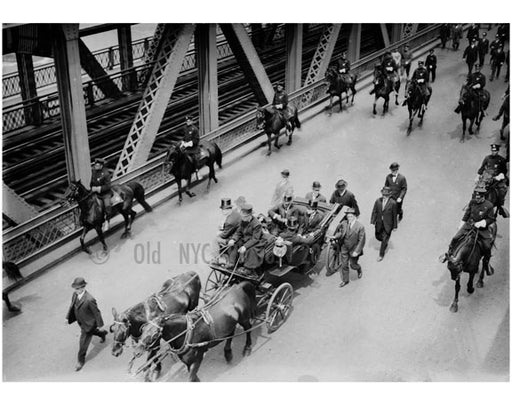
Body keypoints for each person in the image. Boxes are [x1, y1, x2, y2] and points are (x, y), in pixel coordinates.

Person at [443, 186, 495, 265]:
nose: (476, 199)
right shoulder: (472, 202)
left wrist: (482, 223)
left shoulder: (489, 205)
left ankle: (486, 263)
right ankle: (449, 253)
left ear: (483, 197)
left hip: (482, 229)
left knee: (487, 246)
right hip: (469, 225)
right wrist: (461, 224)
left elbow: (491, 219)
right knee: (455, 238)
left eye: (479, 198)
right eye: (476, 197)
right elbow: (467, 214)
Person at [66, 277, 107, 371]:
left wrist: (100, 325)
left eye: (77, 288)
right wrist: (67, 317)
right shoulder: (75, 294)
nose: (75, 290)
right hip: (81, 321)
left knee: (83, 343)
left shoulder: (89, 299)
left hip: (89, 324)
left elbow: (96, 313)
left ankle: (80, 361)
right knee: (93, 332)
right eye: (74, 288)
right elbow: (72, 306)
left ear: (83, 287)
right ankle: (102, 334)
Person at [226, 204, 266, 274]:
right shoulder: (242, 221)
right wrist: (233, 239)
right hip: (245, 239)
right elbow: (238, 232)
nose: (242, 218)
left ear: (249, 215)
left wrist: (245, 246)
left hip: (255, 242)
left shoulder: (257, 224)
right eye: (242, 216)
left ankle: (248, 269)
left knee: (251, 250)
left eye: (244, 217)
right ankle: (231, 263)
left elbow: (255, 239)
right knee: (235, 244)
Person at [333, 208, 366, 288]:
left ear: (355, 216)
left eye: (351, 216)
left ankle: (358, 269)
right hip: (344, 247)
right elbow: (340, 232)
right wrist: (335, 236)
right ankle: (345, 280)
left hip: (354, 249)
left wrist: (357, 251)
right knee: (344, 265)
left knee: (353, 265)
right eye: (348, 217)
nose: (349, 218)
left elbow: (362, 240)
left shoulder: (360, 226)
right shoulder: (344, 223)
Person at [476, 143, 508, 217]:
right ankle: (472, 203)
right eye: (492, 151)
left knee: (503, 189)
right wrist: (477, 175)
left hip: (497, 179)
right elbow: (482, 168)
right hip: (487, 177)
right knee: (477, 188)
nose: (494, 152)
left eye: (495, 151)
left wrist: (500, 175)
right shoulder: (487, 158)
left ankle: (500, 206)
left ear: (497, 151)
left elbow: (504, 171)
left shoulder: (502, 160)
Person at [370, 186, 398, 262]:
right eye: (383, 194)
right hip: (379, 223)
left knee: (384, 239)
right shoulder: (378, 201)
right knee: (378, 236)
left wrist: (395, 226)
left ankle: (381, 255)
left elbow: (394, 215)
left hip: (388, 225)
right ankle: (384, 242)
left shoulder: (393, 203)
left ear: (389, 195)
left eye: (386, 195)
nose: (384, 196)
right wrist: (372, 221)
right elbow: (374, 211)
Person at [210, 198, 241, 265]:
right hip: (238, 234)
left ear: (228, 209)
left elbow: (224, 235)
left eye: (224, 210)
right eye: (223, 210)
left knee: (216, 239)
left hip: (235, 239)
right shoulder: (235, 213)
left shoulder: (229, 221)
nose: (223, 212)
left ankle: (217, 259)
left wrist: (219, 234)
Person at [90, 157, 112, 231]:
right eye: (95, 165)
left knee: (107, 206)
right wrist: (92, 187)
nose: (95, 167)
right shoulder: (94, 171)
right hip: (96, 193)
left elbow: (108, 186)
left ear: (101, 166)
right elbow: (92, 181)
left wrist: (98, 188)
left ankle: (107, 221)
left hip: (105, 194)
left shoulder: (106, 174)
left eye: (97, 166)